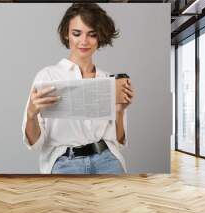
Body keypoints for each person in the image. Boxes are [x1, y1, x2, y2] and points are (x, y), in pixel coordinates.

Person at [21, 3, 134, 174]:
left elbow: (118, 142)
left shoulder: (107, 80)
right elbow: (35, 143)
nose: (84, 41)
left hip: (107, 159)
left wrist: (119, 111)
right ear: (67, 34)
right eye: (77, 33)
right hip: (65, 162)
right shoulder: (48, 76)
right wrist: (31, 115)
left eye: (92, 34)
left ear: (100, 37)